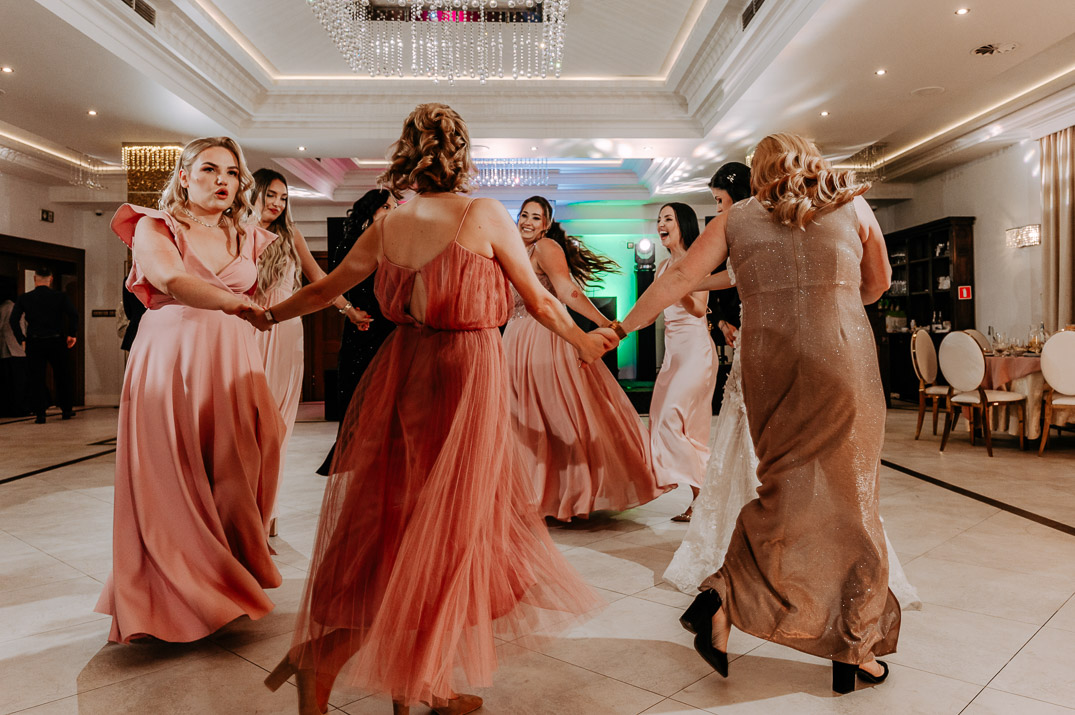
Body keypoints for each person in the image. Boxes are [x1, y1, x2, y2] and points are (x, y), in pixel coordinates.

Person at [245, 103, 605, 715]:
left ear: (407, 156)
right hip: (465, 373)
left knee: (406, 522)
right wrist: (585, 341)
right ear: (462, 154)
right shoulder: (483, 214)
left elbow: (325, 288)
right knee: (452, 531)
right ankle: (349, 663)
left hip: (405, 371)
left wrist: (266, 315)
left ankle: (414, 679)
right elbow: (541, 301)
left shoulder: (390, 224)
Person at [605, 133, 900, 693]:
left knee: (782, 486)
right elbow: (877, 284)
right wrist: (831, 294)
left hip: (769, 363)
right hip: (841, 359)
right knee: (854, 495)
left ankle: (723, 597)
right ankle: (853, 644)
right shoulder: (849, 204)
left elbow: (677, 278)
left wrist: (620, 329)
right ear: (810, 159)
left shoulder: (735, 219)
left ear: (758, 173)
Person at [662, 162, 922, 613]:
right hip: (787, 345)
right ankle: (787, 559)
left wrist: (682, 283)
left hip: (772, 345)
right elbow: (873, 283)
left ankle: (771, 557)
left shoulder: (748, 221)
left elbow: (873, 282)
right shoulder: (810, 217)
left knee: (780, 453)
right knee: (783, 453)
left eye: (720, 200)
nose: (719, 209)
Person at [94, 136, 286, 644]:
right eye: (208, 169)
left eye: (232, 172)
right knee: (171, 471)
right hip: (172, 353)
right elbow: (171, 279)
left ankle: (228, 576)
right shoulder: (154, 225)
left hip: (233, 354)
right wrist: (235, 304)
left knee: (245, 461)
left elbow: (260, 295)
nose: (223, 180)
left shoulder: (246, 235)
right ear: (183, 176)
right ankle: (173, 595)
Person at [504, 195, 664, 520]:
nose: (528, 222)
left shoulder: (545, 248)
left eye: (536, 217)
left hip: (546, 338)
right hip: (514, 340)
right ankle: (531, 495)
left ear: (546, 225)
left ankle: (569, 494)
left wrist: (606, 323)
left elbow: (567, 291)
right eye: (524, 215)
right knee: (519, 418)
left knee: (553, 415)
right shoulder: (510, 251)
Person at [249, 168, 370, 536]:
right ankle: (244, 516)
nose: (277, 203)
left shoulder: (291, 236)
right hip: (244, 331)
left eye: (283, 198)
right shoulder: (234, 233)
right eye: (270, 194)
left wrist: (348, 310)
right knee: (244, 427)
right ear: (253, 192)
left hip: (285, 333)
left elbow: (321, 280)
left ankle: (267, 514)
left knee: (277, 428)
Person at [316, 188, 398, 476]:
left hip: (394, 330)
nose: (393, 212)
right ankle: (355, 458)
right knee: (356, 395)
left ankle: (385, 459)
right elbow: (329, 288)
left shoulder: (399, 246)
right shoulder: (350, 245)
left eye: (395, 207)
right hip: (362, 330)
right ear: (370, 212)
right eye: (386, 207)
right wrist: (349, 311)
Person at [648, 203, 718, 522]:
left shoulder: (698, 262)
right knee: (669, 423)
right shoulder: (662, 267)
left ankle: (709, 489)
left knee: (670, 419)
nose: (660, 224)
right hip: (673, 354)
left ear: (683, 224)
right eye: (659, 219)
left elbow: (699, 309)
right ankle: (700, 500)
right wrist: (616, 330)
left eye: (668, 219)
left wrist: (681, 287)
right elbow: (651, 308)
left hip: (695, 352)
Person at [9, 267, 78, 423]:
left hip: (35, 341)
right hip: (56, 340)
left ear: (35, 278)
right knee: (62, 375)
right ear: (51, 279)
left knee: (36, 378)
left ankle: (40, 413)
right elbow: (73, 314)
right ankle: (66, 410)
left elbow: (13, 320)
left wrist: (21, 338)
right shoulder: (60, 296)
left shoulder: (25, 298)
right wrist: (71, 334)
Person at [707, 163, 748, 346]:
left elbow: (735, 276)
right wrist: (722, 323)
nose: (718, 209)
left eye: (719, 200)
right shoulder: (730, 235)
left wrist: (690, 285)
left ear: (736, 194)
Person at [0, 277, 29, 417]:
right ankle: (20, 408)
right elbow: (23, 328)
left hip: (6, 349)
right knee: (18, 382)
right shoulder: (14, 307)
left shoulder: (4, 307)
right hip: (17, 349)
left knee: (8, 382)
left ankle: (10, 408)